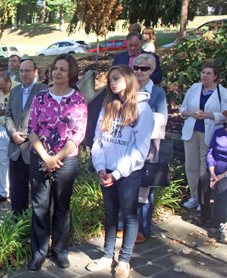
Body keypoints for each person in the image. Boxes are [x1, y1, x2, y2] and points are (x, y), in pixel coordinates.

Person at [87, 65, 154, 278]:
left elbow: (140, 151)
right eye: (110, 80)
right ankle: (107, 256)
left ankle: (124, 260)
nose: (112, 83)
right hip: (105, 170)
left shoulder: (143, 110)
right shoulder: (109, 105)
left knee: (128, 214)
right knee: (109, 214)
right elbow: (98, 139)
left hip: (127, 173)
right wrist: (100, 168)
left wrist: (116, 174)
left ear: (128, 78)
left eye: (116, 78)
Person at [27, 54, 88, 271]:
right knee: (40, 207)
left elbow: (78, 134)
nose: (57, 72)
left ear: (71, 73)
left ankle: (60, 252)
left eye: (62, 69)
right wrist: (45, 157)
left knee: (62, 208)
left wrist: (57, 159)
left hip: (66, 162)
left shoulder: (78, 100)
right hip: (40, 159)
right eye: (55, 68)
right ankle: (39, 253)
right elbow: (32, 130)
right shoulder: (40, 97)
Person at [117, 54, 168, 243]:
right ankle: (122, 226)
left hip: (148, 148)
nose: (139, 71)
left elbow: (162, 119)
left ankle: (142, 229)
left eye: (144, 68)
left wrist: (141, 121)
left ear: (152, 71)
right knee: (124, 183)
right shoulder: (125, 90)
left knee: (145, 186)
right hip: (124, 146)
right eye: (136, 67)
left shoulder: (158, 93)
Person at [180, 62, 227, 209]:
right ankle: (194, 197)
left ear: (216, 76)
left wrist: (210, 115)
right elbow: (183, 109)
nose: (205, 76)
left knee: (204, 167)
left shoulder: (222, 92)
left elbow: (225, 115)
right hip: (191, 132)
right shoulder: (194, 88)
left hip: (210, 134)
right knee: (191, 166)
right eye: (203, 73)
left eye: (208, 73)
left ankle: (203, 199)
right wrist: (192, 114)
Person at [5, 59, 49, 215]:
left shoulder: (44, 90)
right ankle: (18, 226)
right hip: (15, 150)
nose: (23, 74)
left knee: (39, 195)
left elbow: (45, 120)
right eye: (21, 71)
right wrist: (13, 133)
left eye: (27, 71)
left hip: (34, 150)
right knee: (17, 194)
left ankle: (38, 228)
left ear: (35, 72)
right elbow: (8, 115)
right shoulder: (15, 91)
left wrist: (24, 134)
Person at [0, 72, 20, 204]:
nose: (1, 90)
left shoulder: (18, 88)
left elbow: (18, 111)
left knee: (18, 161)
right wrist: (7, 109)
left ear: (9, 82)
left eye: (4, 88)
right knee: (1, 161)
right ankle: (3, 192)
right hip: (2, 127)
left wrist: (1, 107)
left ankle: (17, 191)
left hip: (16, 128)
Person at [199, 122, 227, 242]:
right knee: (203, 180)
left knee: (221, 186)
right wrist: (212, 173)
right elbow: (210, 153)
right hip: (215, 170)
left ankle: (218, 220)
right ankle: (205, 215)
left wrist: (222, 176)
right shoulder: (218, 132)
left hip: (225, 174)